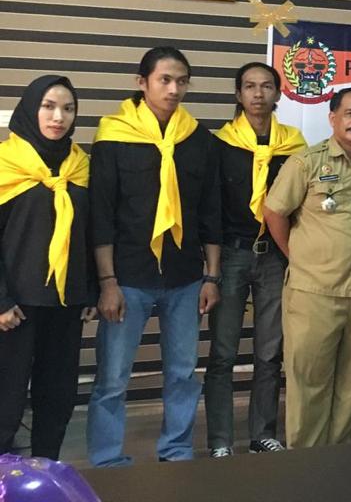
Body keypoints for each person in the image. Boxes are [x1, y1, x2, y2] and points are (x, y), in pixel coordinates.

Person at [87, 47, 222, 466]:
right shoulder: (113, 137)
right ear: (141, 83)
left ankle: (177, 451)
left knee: (182, 372)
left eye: (182, 81)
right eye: (165, 80)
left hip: (185, 277)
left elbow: (210, 212)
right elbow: (101, 215)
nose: (174, 89)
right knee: (113, 378)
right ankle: (108, 460)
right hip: (127, 276)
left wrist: (211, 277)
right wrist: (107, 283)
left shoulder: (198, 139)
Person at [263, 87, 351, 447]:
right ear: (332, 118)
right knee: (310, 383)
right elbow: (274, 212)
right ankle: (307, 462)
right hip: (314, 293)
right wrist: (297, 255)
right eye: (350, 113)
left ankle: (345, 459)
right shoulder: (306, 163)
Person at [205, 63, 306, 457]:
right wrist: (211, 269)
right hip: (231, 254)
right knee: (223, 353)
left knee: (269, 351)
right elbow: (211, 208)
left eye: (266, 86)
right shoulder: (221, 144)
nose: (258, 94)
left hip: (274, 257)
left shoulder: (294, 146)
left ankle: (262, 433)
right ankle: (220, 441)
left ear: (278, 94)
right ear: (238, 94)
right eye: (249, 86)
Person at [0, 76, 93, 460]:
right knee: (6, 399)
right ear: (30, 108)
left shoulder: (81, 167)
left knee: (57, 396)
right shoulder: (5, 163)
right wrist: (1, 300)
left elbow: (90, 232)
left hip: (65, 303)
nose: (58, 117)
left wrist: (89, 291)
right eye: (48, 106)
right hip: (15, 306)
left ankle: (45, 469)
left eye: (68, 109)